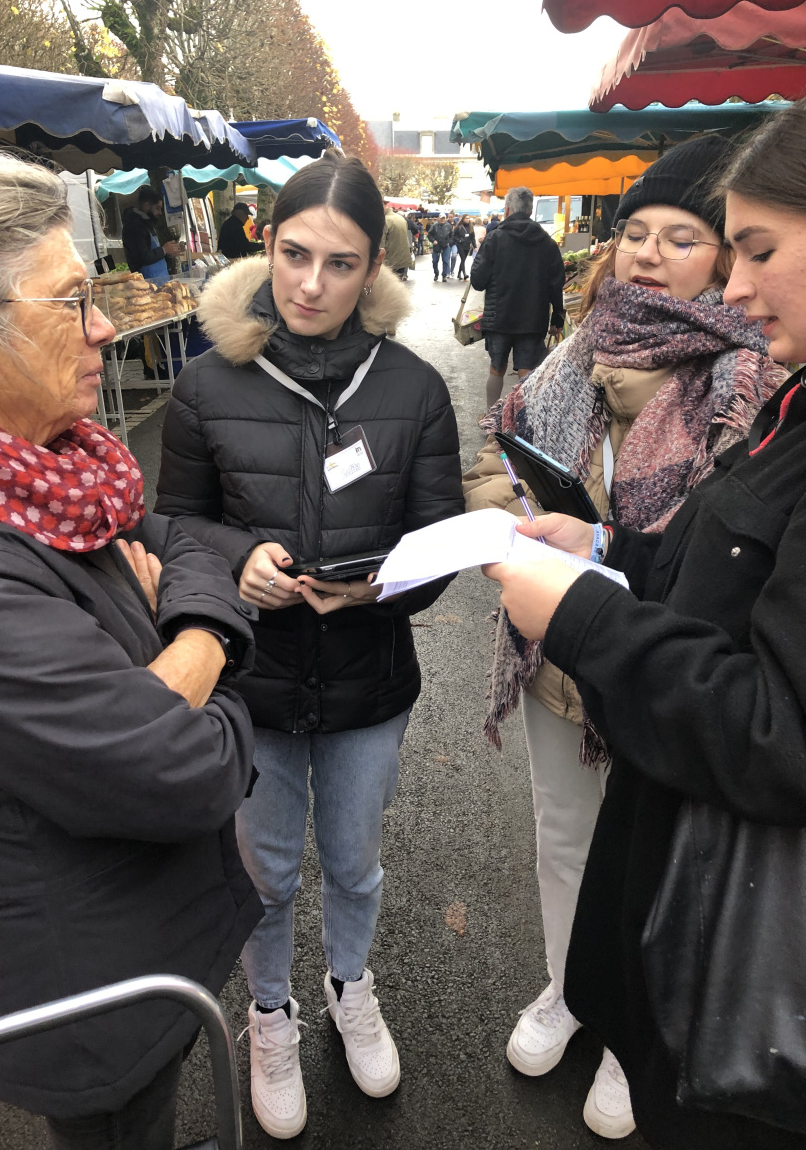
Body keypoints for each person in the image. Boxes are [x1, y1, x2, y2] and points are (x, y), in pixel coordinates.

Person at [482, 101, 806, 1150]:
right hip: (576, 657)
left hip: (670, 725)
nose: (736, 281)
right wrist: (596, 544)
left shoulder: (752, 374)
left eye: (747, 247)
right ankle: (581, 994)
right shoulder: (577, 354)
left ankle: (636, 1028)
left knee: (650, 878)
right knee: (566, 835)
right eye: (636, 232)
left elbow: (776, 728)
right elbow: (714, 563)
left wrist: (586, 604)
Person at [0, 147, 261, 1149]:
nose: (104, 325)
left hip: (136, 938)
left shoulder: (49, 472)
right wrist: (204, 634)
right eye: (72, 300)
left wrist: (171, 657)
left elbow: (180, 540)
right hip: (86, 991)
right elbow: (190, 772)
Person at [155, 153, 463, 1140]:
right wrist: (236, 560)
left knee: (356, 861)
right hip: (254, 679)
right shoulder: (207, 382)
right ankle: (269, 1009)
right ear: (265, 244)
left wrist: (381, 583)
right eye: (295, 254)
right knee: (265, 869)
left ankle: (348, 984)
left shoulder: (413, 388)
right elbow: (172, 524)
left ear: (373, 267)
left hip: (370, 678)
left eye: (340, 263)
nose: (311, 284)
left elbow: (442, 539)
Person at [470, 185, 566, 409]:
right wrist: (558, 318)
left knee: (497, 368)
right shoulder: (547, 242)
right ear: (530, 211)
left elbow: (478, 280)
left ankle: (491, 418)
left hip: (499, 317)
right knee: (527, 371)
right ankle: (524, 421)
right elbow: (556, 284)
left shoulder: (494, 239)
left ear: (507, 210)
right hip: (533, 319)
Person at [121, 183, 182, 285]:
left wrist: (169, 253)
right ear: (147, 206)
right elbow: (142, 257)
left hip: (160, 280)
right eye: (157, 208)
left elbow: (153, 255)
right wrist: (164, 250)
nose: (160, 213)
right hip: (148, 283)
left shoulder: (147, 224)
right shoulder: (134, 226)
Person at [382, 200, 412, 280]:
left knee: (389, 285)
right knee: (398, 283)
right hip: (402, 260)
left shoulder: (385, 220)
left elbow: (381, 244)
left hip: (390, 261)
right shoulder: (400, 218)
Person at [428, 212, 453, 281]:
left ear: (445, 219)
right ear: (438, 218)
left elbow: (452, 235)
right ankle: (436, 274)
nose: (442, 219)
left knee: (445, 261)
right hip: (437, 246)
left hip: (445, 246)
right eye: (441, 218)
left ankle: (444, 275)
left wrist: (449, 242)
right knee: (435, 261)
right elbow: (429, 235)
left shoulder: (448, 226)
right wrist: (433, 240)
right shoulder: (434, 226)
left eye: (443, 218)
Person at [453, 214, 476, 280]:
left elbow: (472, 237)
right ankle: (464, 273)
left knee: (463, 260)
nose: (467, 219)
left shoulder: (470, 227)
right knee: (463, 259)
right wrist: (459, 240)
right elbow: (454, 235)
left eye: (468, 218)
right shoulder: (459, 227)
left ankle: (459, 273)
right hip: (460, 245)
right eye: (466, 218)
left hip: (467, 245)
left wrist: (474, 245)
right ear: (463, 219)